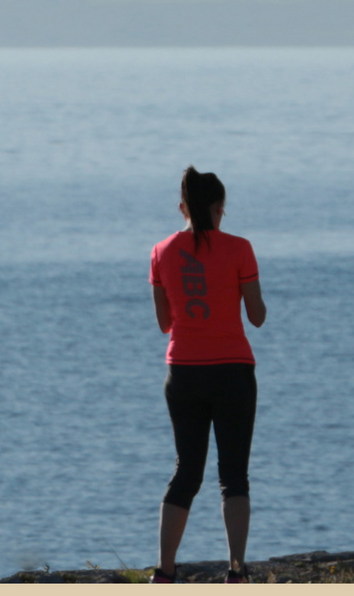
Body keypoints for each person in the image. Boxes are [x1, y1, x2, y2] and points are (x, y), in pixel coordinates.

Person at [148, 168, 267, 583]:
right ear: (219, 209)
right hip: (233, 370)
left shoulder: (160, 252)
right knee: (233, 475)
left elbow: (164, 322)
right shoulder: (240, 249)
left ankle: (164, 571)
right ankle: (236, 570)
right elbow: (257, 317)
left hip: (182, 372)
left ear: (182, 208)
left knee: (186, 472)